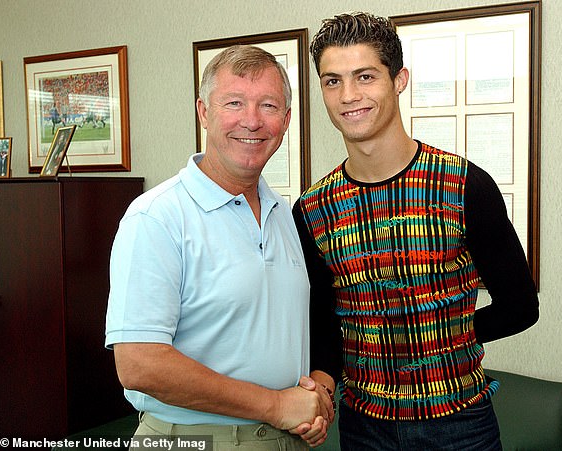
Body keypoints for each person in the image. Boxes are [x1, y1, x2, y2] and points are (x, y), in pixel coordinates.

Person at [293, 12, 539, 451]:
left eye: (364, 76)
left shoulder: (464, 185)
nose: (349, 95)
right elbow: (325, 324)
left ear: (399, 79)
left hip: (460, 423)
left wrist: (435, 335)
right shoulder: (312, 209)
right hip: (362, 425)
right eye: (332, 81)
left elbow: (520, 307)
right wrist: (322, 388)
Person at [105, 45, 333, 450]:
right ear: (204, 113)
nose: (252, 120)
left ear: (286, 120)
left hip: (287, 438)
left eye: (268, 105)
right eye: (234, 102)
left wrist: (316, 398)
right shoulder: (157, 217)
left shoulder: (285, 213)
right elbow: (139, 365)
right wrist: (276, 405)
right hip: (195, 439)